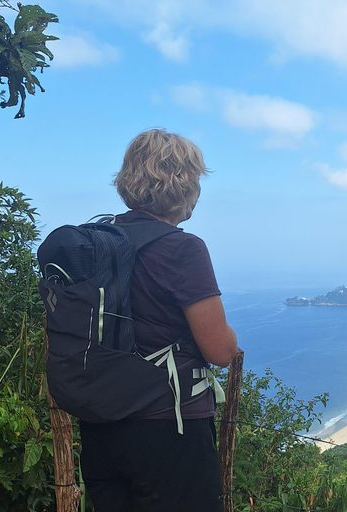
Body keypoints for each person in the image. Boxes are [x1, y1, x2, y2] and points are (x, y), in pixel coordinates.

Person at [78, 129, 238, 512]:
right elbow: (220, 351)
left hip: (101, 424)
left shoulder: (94, 241)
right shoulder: (182, 248)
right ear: (183, 185)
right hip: (169, 426)